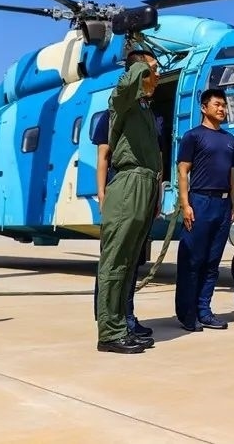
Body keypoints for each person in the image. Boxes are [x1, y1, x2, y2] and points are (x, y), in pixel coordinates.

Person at [95, 49, 162, 354]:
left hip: (146, 184)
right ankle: (109, 332)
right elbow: (126, 83)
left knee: (130, 262)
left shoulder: (145, 109)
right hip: (128, 183)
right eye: (153, 70)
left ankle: (121, 325)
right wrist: (140, 65)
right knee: (116, 260)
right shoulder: (123, 101)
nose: (157, 76)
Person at [175, 88, 234, 331]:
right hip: (200, 201)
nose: (222, 109)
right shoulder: (193, 136)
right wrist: (185, 204)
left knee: (212, 262)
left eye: (224, 105)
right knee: (193, 260)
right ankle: (187, 313)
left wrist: (233, 204)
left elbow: (231, 174)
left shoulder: (230, 140)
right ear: (204, 107)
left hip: (223, 205)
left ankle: (204, 309)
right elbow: (183, 171)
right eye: (217, 105)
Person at [91, 108, 154, 339]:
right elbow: (103, 156)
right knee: (113, 261)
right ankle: (108, 317)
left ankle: (126, 316)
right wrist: (102, 193)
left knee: (132, 263)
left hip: (142, 194)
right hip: (120, 193)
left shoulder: (148, 118)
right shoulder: (111, 116)